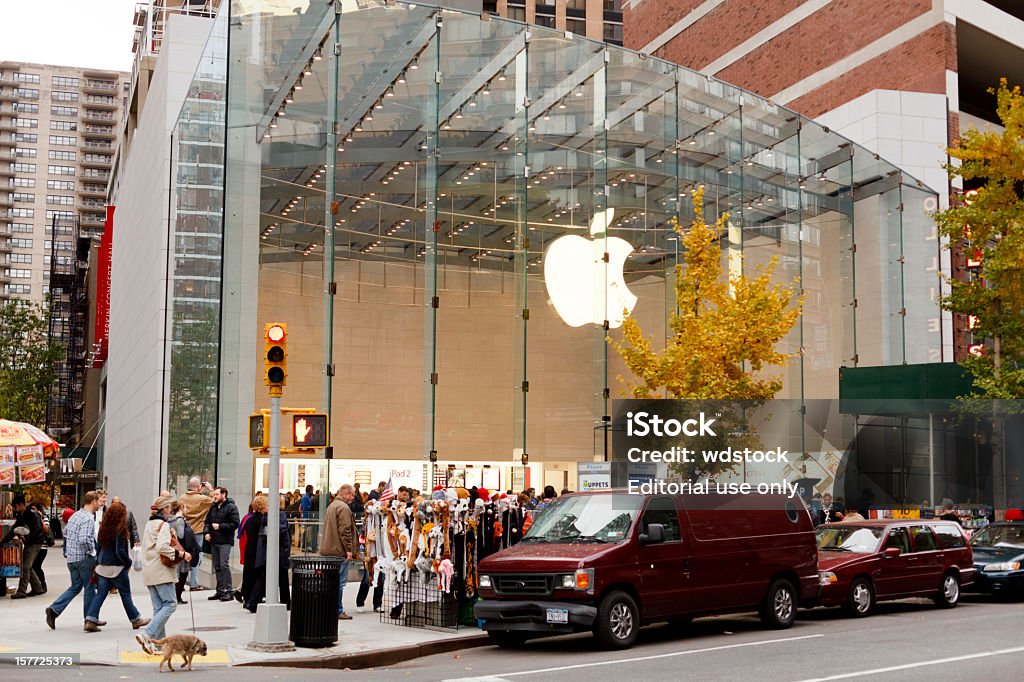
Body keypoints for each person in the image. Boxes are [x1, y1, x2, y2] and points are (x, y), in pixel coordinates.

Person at [136, 494, 190, 654]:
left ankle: (159, 644)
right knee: (171, 604)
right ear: (165, 509)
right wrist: (181, 555)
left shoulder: (150, 524)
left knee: (159, 608)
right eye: (169, 509)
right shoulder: (163, 525)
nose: (170, 512)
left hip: (149, 571)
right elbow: (162, 547)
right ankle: (147, 634)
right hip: (161, 571)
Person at [84, 502, 149, 632]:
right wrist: (128, 562)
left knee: (100, 594)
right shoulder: (120, 529)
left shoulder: (103, 528)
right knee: (125, 594)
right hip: (117, 567)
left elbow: (99, 547)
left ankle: (90, 619)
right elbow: (120, 551)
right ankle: (135, 619)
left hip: (103, 566)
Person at [45, 491, 101, 630]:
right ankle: (90, 619)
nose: (99, 504)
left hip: (72, 558)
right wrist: (92, 552)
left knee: (76, 586)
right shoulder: (88, 518)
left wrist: (68, 552)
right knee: (89, 587)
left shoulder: (75, 515)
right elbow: (84, 539)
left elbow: (66, 534)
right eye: (98, 501)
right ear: (93, 501)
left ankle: (54, 609)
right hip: (84, 558)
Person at [246, 497, 291, 613]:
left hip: (266, 551)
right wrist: (286, 548)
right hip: (277, 550)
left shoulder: (262, 517)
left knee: (264, 576)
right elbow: (283, 532)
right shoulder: (278, 515)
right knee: (281, 576)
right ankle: (286, 601)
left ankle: (253, 601)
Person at [321, 484, 356, 620]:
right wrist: (348, 550)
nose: (353, 498)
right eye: (352, 495)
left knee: (329, 581)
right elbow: (345, 530)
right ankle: (338, 610)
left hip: (329, 549)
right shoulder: (343, 508)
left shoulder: (332, 505)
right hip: (338, 551)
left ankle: (329, 608)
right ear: (346, 493)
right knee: (339, 582)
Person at [2, 495, 46, 599]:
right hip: (31, 542)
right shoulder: (21, 516)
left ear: (21, 505)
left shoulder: (32, 514)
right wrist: (3, 542)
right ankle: (38, 588)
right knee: (27, 566)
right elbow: (13, 530)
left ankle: (22, 591)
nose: (14, 509)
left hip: (35, 543)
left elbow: (39, 529)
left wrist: (28, 538)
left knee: (25, 567)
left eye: (15, 507)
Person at [204, 487, 239, 601]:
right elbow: (207, 521)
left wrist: (220, 526)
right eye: (214, 494)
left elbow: (235, 523)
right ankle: (219, 591)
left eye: (217, 494)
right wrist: (207, 532)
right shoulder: (213, 507)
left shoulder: (231, 507)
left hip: (225, 541)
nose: (214, 496)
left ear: (224, 494)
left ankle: (229, 591)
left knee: (224, 565)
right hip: (214, 540)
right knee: (217, 566)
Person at [29, 502, 55, 593]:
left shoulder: (44, 517)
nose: (32, 511)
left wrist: (40, 518)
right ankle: (36, 586)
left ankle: (42, 584)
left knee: (36, 565)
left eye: (34, 509)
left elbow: (46, 529)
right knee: (32, 566)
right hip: (33, 545)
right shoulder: (30, 518)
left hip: (42, 546)